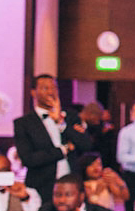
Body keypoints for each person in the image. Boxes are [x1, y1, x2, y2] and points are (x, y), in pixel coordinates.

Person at [13, 74, 92, 203]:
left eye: (54, 88)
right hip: (41, 185)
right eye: (45, 88)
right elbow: (29, 159)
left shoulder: (70, 116)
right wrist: (63, 150)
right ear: (34, 92)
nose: (51, 92)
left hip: (72, 182)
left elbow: (86, 145)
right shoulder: (23, 123)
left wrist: (61, 123)